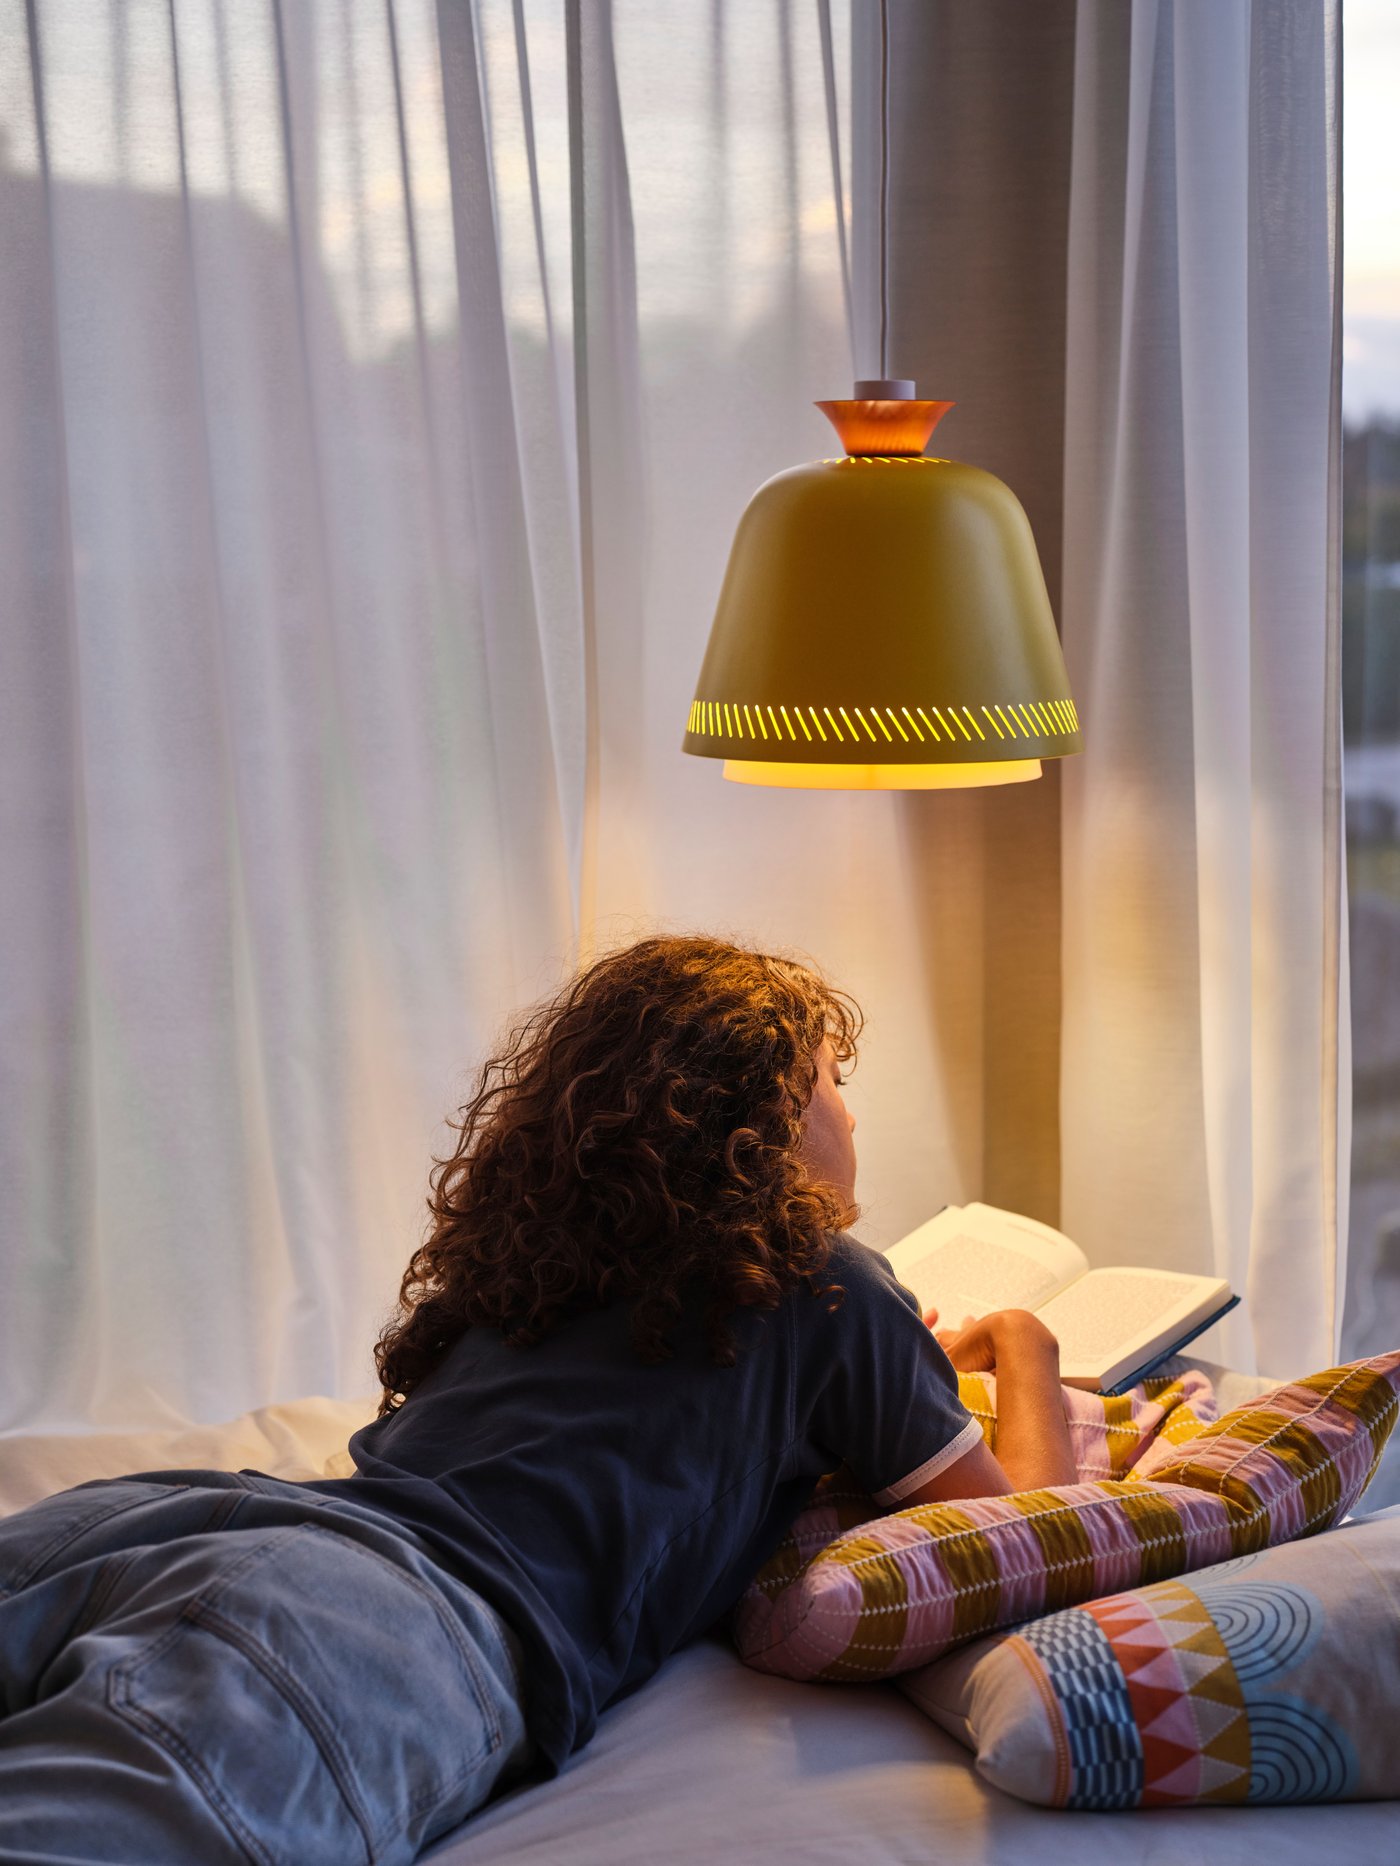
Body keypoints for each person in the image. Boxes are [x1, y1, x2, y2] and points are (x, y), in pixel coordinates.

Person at [0, 935, 1076, 1864]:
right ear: (772, 1120)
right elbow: (1025, 1539)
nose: (853, 1120)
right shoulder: (826, 1278)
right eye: (836, 1084)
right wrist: (1021, 1342)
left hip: (160, 1522)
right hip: (372, 1621)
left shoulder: (536, 1262)